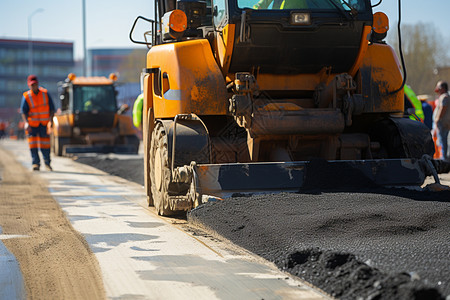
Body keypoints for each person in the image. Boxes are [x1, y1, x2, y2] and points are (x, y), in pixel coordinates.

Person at [20, 75, 55, 171]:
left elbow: (52, 109)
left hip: (44, 124)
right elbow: (23, 112)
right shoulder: (26, 96)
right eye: (31, 85)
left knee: (45, 145)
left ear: (37, 84)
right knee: (33, 145)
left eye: (35, 84)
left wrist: (51, 122)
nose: (33, 86)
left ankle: (47, 163)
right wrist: (26, 123)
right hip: (32, 125)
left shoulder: (45, 93)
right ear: (28, 85)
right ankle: (36, 164)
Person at [432, 81, 450, 161]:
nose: (437, 90)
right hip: (445, 122)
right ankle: (444, 158)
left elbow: (443, 108)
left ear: (442, 88)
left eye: (439, 88)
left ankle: (444, 159)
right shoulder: (446, 96)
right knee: (443, 140)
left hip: (442, 123)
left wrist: (437, 119)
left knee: (443, 140)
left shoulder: (444, 97)